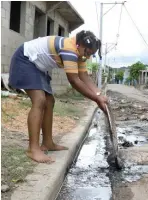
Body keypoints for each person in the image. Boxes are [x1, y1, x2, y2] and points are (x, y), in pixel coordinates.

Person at [9, 30, 108, 163]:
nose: (88, 57)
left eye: (91, 54)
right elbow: (74, 81)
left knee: (49, 101)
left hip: (38, 66)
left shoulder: (80, 54)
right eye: (88, 52)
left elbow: (84, 76)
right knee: (40, 100)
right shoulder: (69, 49)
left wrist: (99, 94)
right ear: (79, 45)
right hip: (25, 59)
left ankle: (48, 143)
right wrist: (96, 99)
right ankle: (33, 149)